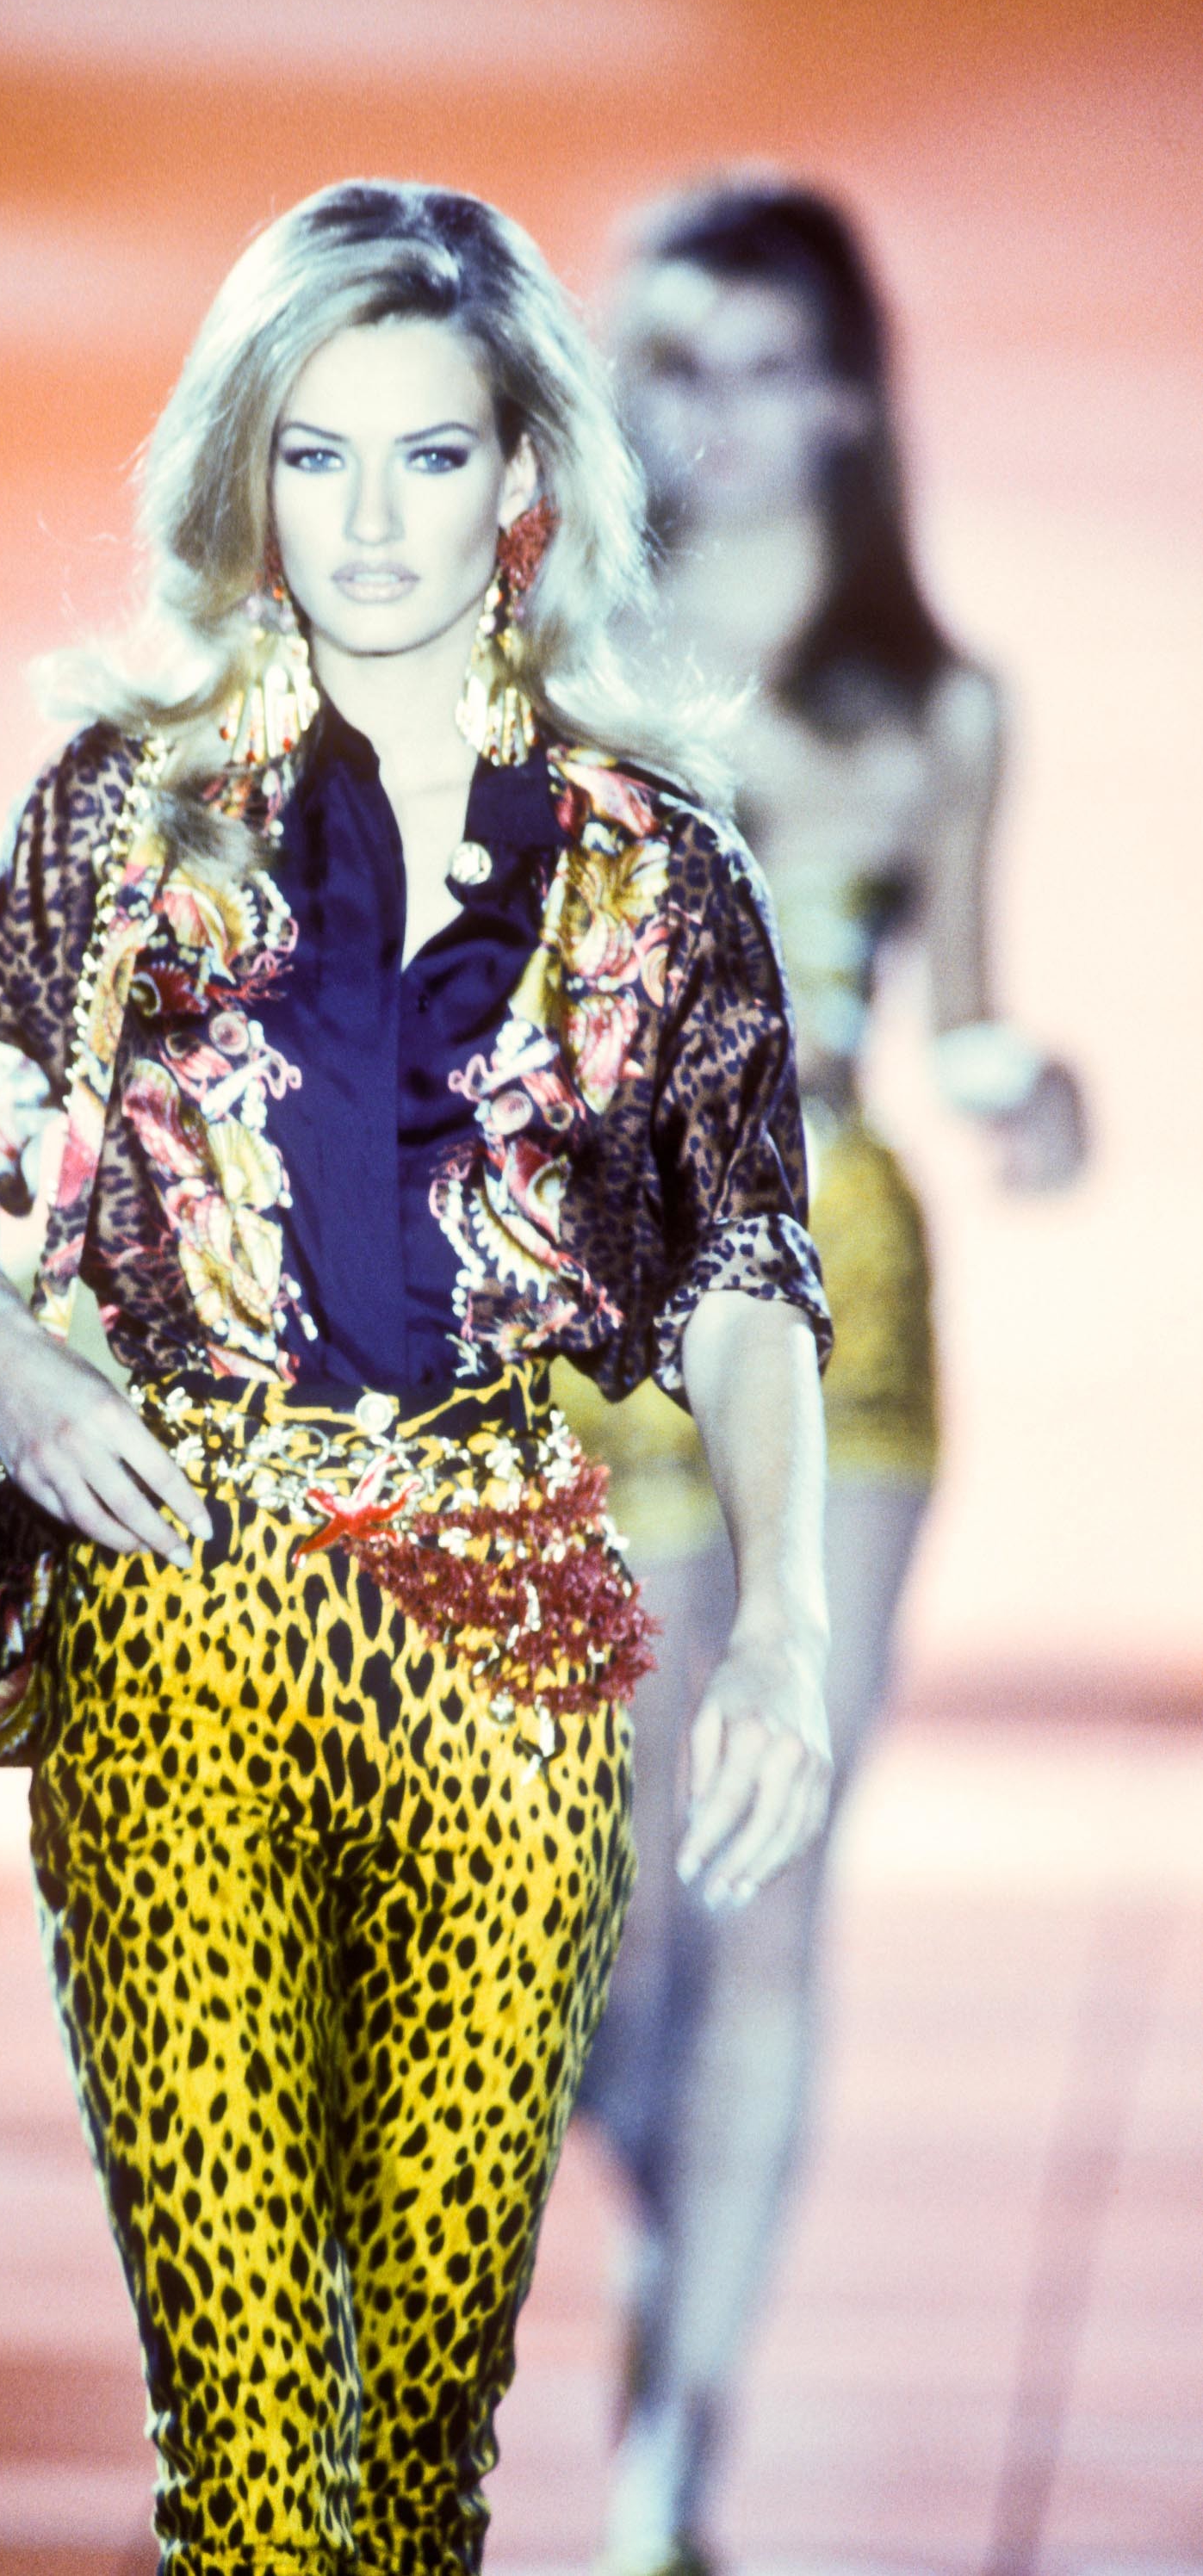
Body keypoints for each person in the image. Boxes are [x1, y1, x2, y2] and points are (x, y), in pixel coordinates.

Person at [0, 179, 835, 2576]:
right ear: (247, 469)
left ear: (526, 473)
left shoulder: (655, 866)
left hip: (506, 1637)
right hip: (175, 1603)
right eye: (315, 454)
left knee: (415, 2457)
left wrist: (786, 1626)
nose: (370, 521)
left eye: (428, 454)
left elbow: (745, 1263)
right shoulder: (126, 807)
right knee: (247, 2459)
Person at [563, 173, 1086, 2576]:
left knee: (764, 1877)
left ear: (853, 397)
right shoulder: (542, 658)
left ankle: (676, 2445)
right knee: (597, 1909)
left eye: (775, 369)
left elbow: (955, 1002)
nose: (727, 418)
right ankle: (638, 2161)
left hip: (836, 1278)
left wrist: (1015, 1082)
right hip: (575, 1291)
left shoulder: (934, 708)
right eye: (681, 365)